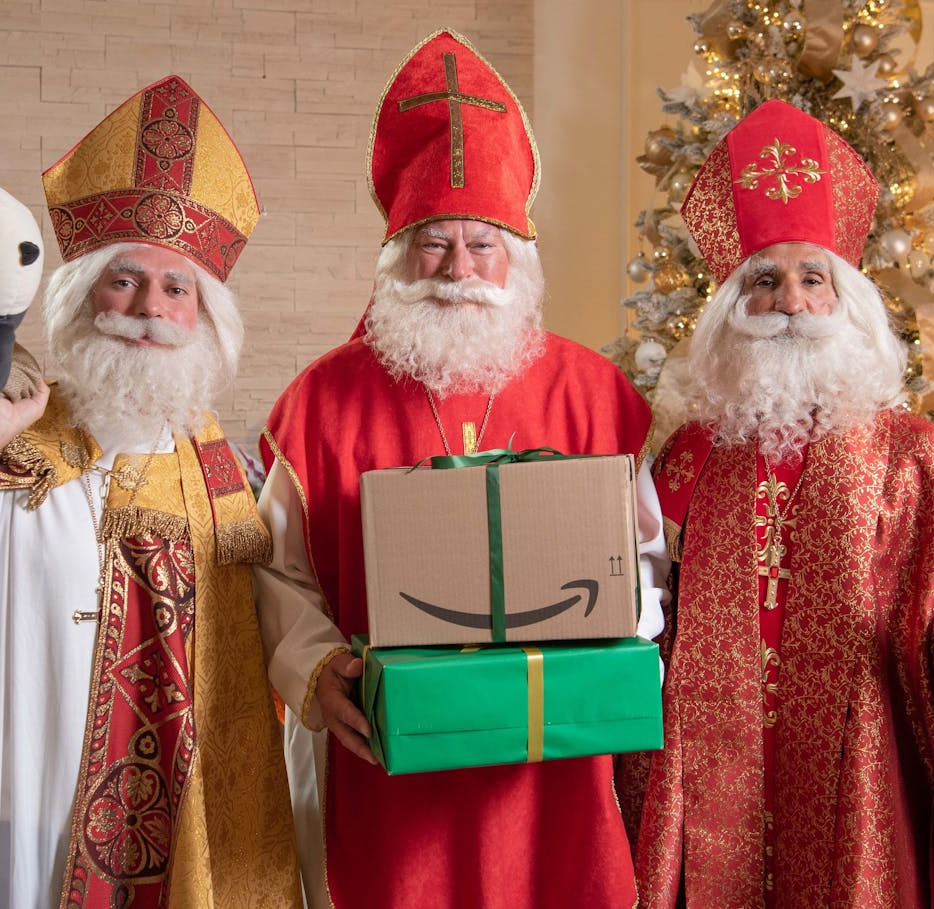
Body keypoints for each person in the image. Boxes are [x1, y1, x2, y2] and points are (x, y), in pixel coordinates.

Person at [0, 76, 300, 909]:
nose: (147, 309)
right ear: (79, 297)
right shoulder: (5, 445)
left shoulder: (223, 486)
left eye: (176, 288)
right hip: (4, 822)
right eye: (124, 280)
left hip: (167, 831)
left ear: (207, 320)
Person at [620, 99, 934, 907]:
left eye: (813, 279)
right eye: (764, 281)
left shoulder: (923, 461)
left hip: (867, 799)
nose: (792, 303)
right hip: (706, 794)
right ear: (732, 310)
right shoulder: (686, 458)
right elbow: (637, 616)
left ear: (848, 305)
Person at [255, 28, 665, 909]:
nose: (459, 271)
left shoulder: (597, 393)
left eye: (483, 246)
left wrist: (627, 624)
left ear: (518, 262)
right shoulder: (318, 403)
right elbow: (277, 573)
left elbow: (651, 563)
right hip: (388, 760)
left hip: (550, 766)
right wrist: (319, 669)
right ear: (396, 258)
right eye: (435, 245)